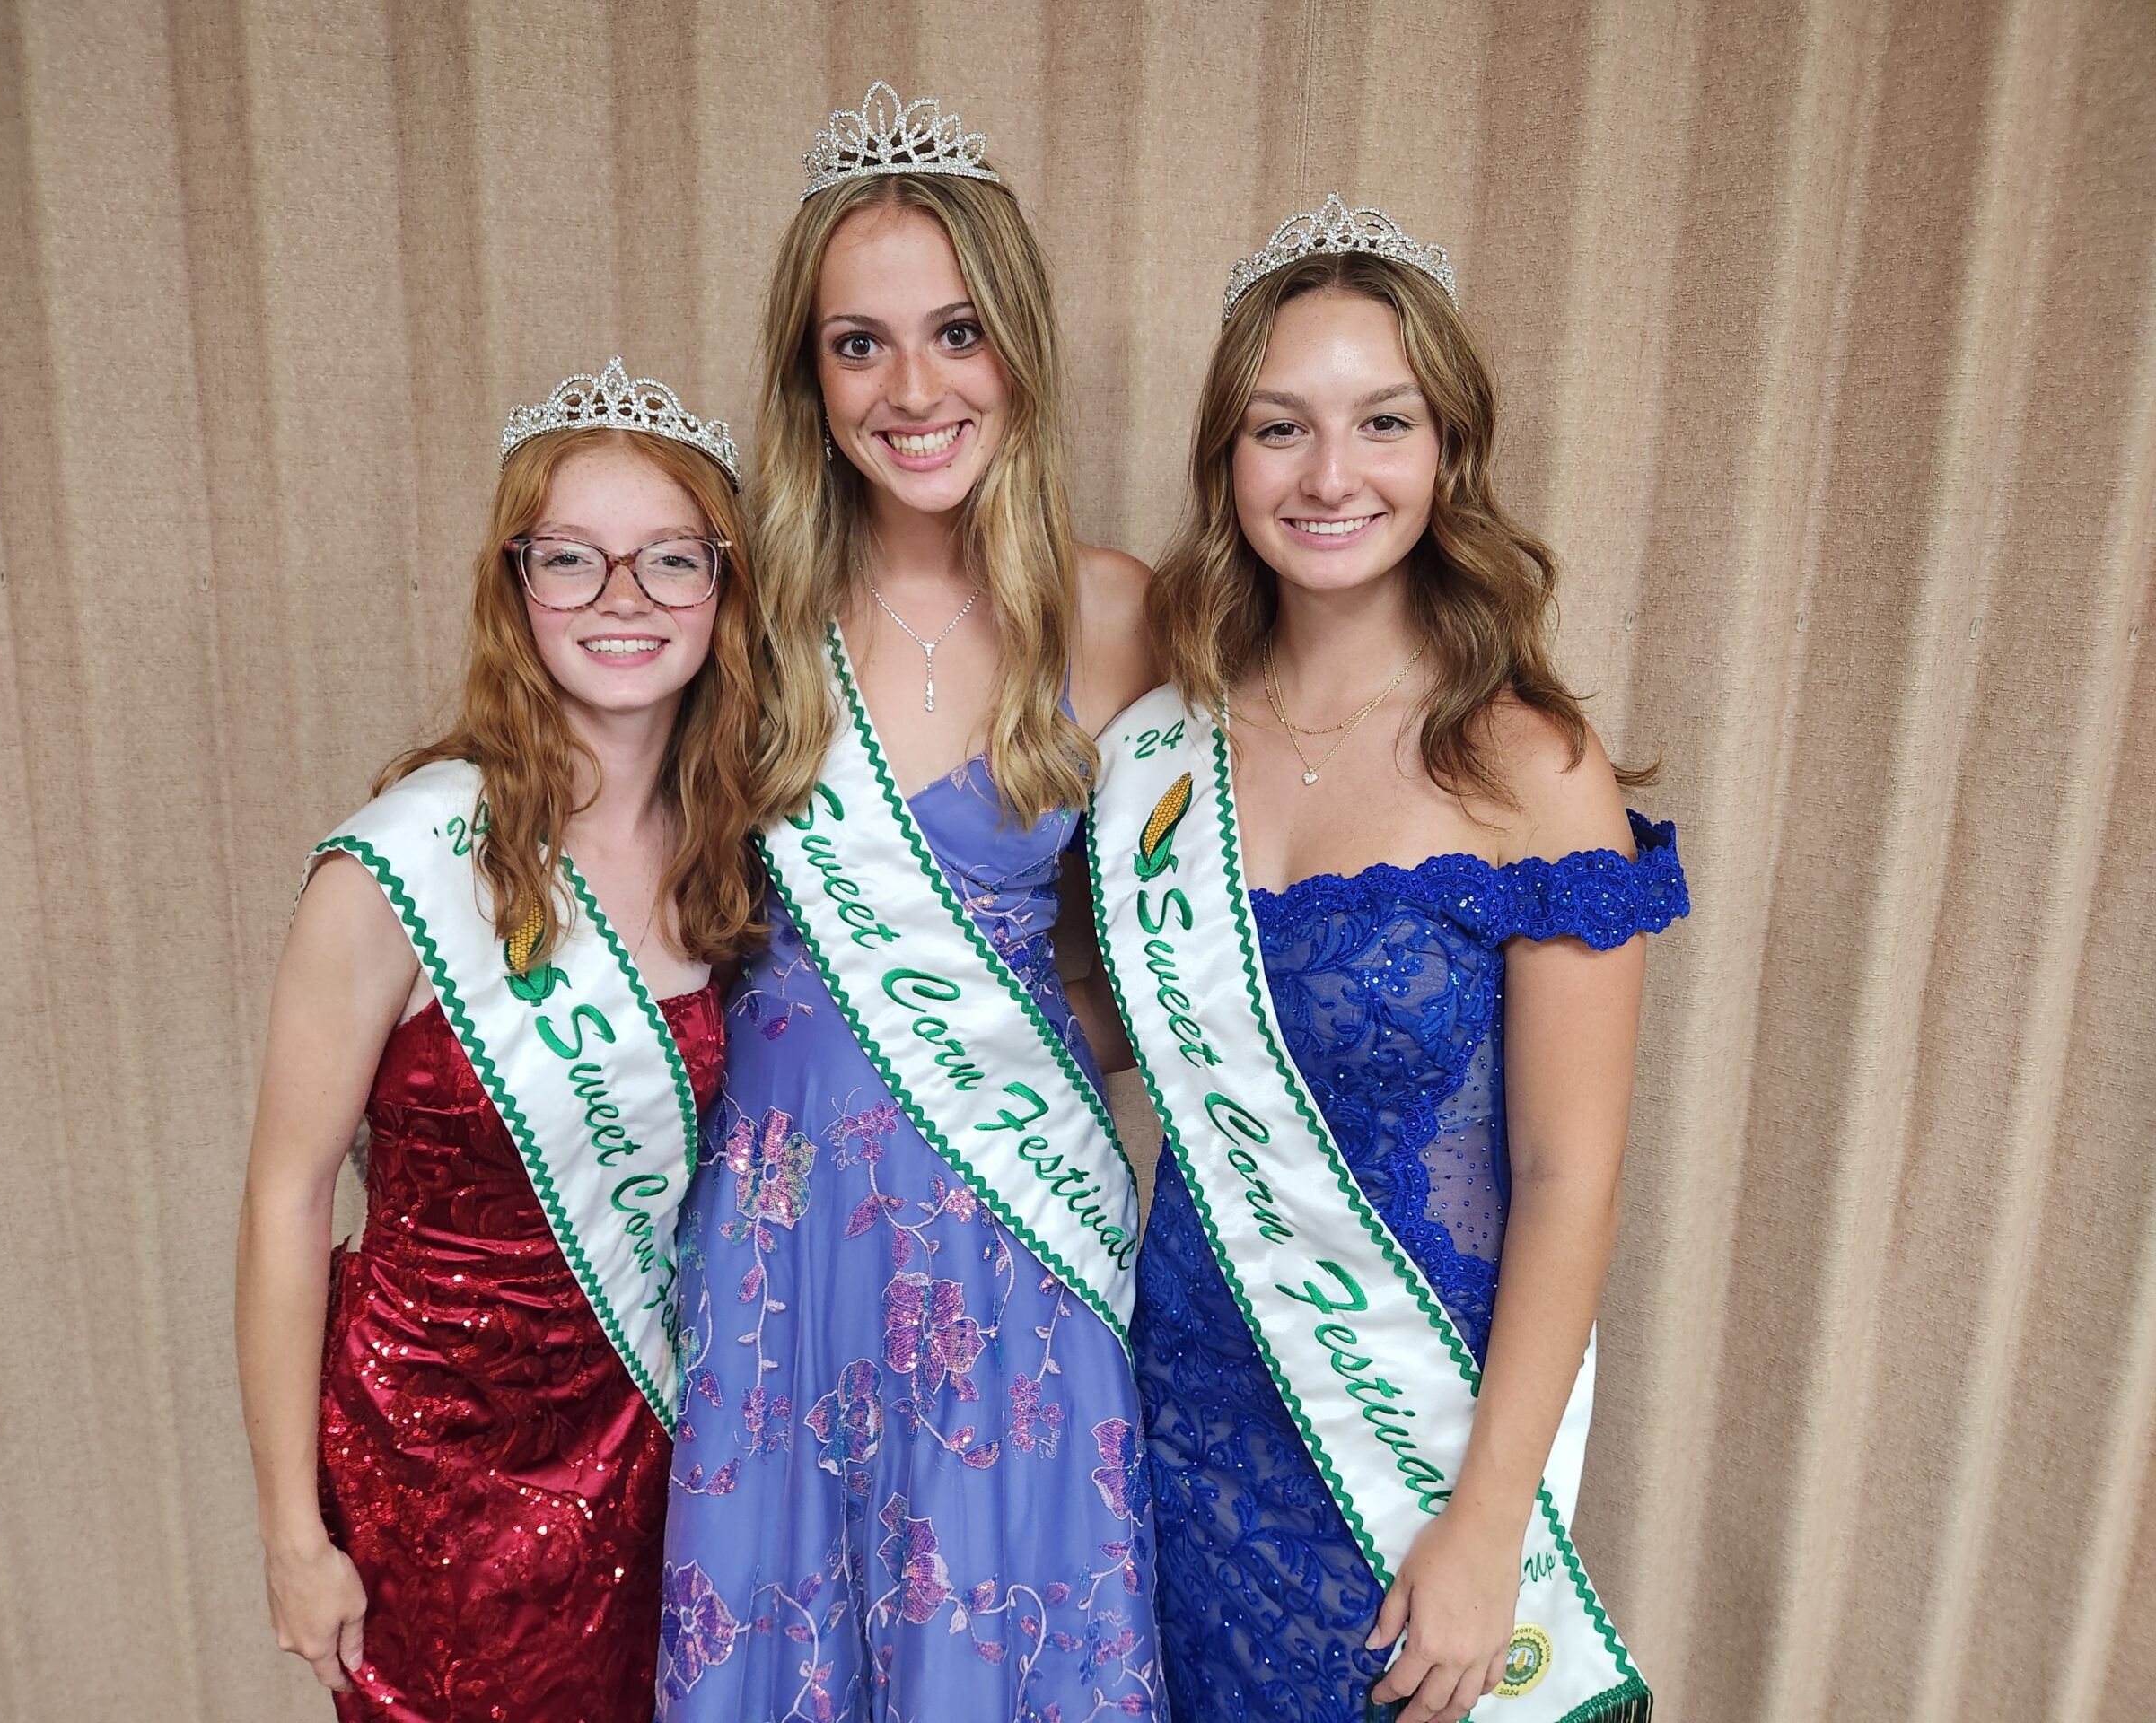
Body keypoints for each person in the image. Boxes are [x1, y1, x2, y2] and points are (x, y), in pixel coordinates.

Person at [1088, 197, 1687, 1723]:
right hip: (1181, 1423)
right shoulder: (1158, 751)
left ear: (1447, 451)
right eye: (1281, 428)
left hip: (1413, 1445)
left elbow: (1570, 1172)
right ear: (1228, 459)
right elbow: (1091, 1028)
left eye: (1382, 422)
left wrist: (1486, 1529)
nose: (1331, 474)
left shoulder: (1530, 768)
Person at [655, 83, 1162, 1720]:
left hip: (1016, 1240)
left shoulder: (1114, 617)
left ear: (1017, 347)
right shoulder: (739, 621)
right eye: (856, 343)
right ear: (809, 376)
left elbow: (1184, 954)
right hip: (784, 1249)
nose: (913, 388)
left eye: (955, 332)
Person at [235, 359, 763, 1722]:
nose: (622, 600)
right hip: (431, 1470)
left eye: (668, 561)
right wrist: (295, 1538)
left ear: (725, 588)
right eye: (572, 560)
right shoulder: (408, 858)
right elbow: (287, 1200)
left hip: (656, 1455)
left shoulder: (736, 861)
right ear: (514, 585)